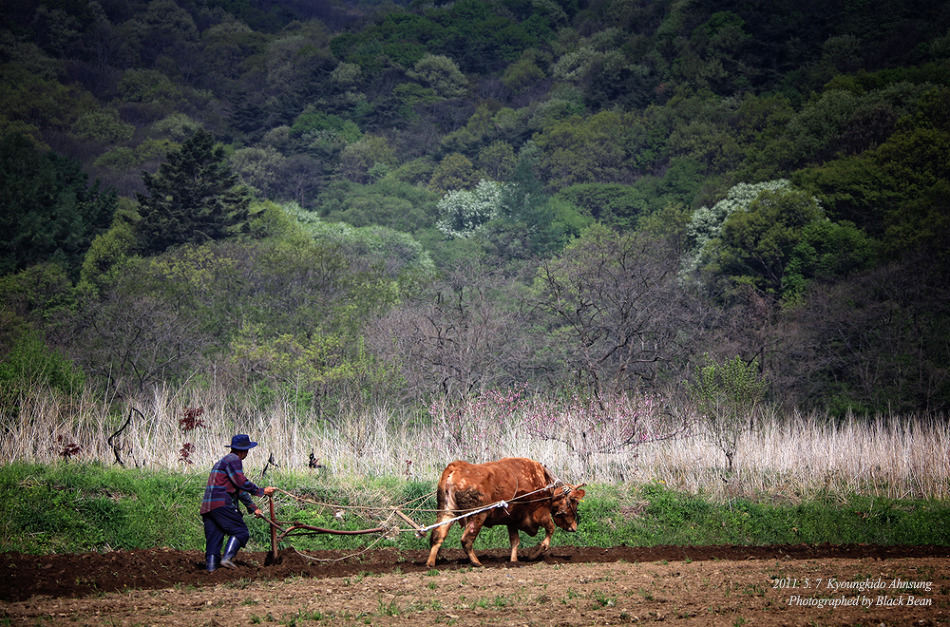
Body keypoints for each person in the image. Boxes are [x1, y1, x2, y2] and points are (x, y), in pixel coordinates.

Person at [200, 434, 276, 572]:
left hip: (208, 507)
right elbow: (241, 482)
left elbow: (238, 489)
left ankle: (211, 573)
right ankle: (227, 559)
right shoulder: (234, 460)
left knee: (214, 539)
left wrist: (253, 508)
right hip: (221, 503)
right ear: (244, 451)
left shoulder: (222, 462)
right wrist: (261, 490)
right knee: (241, 531)